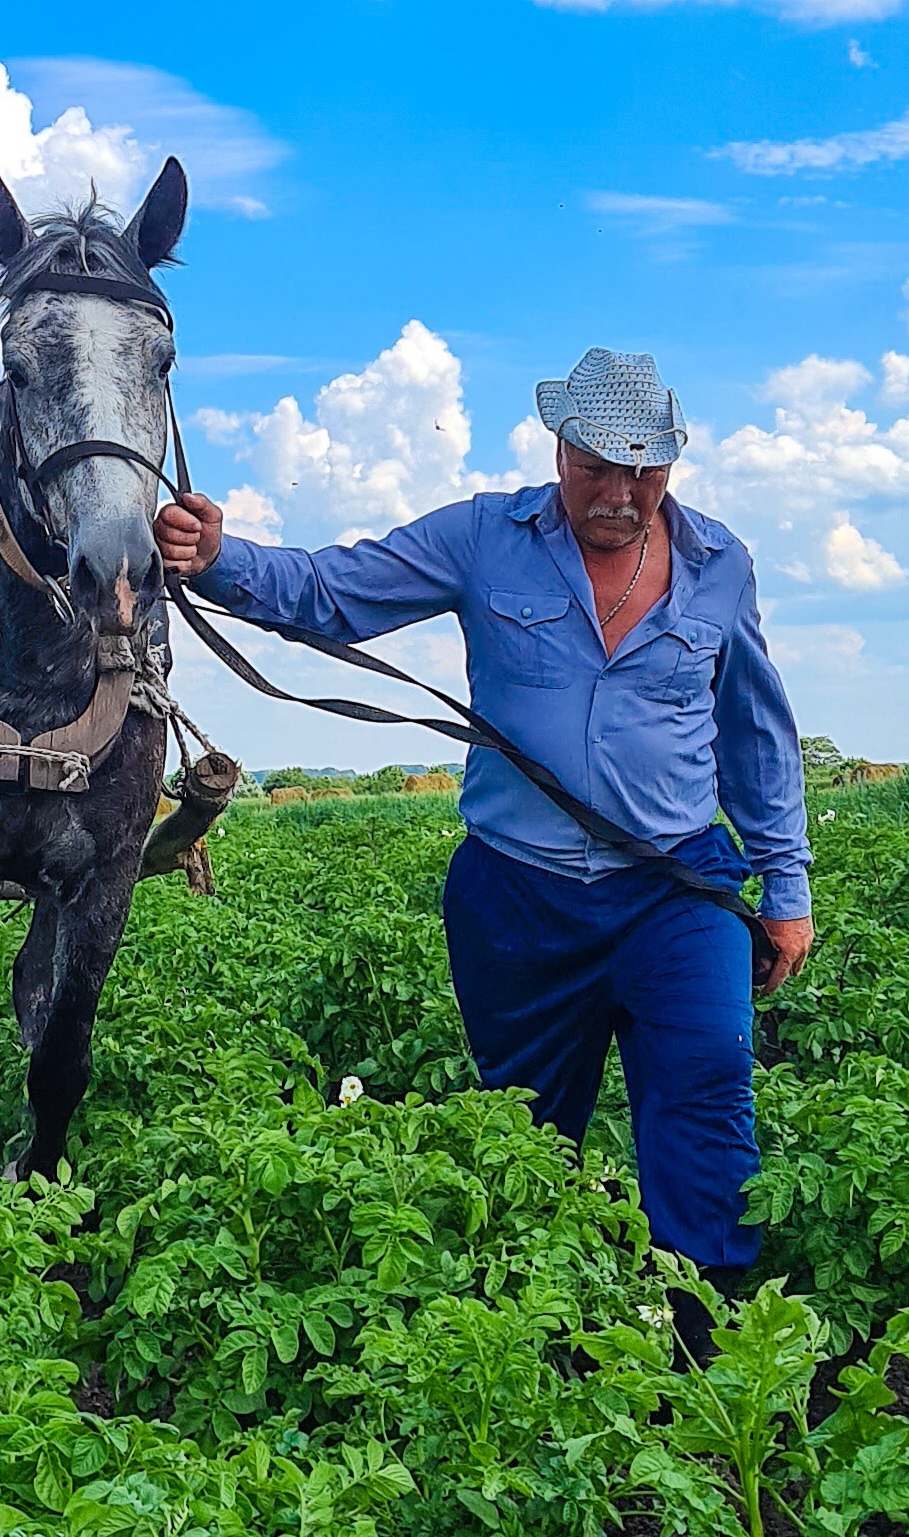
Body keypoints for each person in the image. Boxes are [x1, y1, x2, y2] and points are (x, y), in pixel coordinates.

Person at [154, 346, 813, 1355]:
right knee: (525, 1122)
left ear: (673, 465)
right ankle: (537, 1341)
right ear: (558, 448)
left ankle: (705, 1341)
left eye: (645, 469)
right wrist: (221, 560)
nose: (621, 491)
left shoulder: (720, 564)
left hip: (675, 888)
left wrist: (786, 880)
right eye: (598, 464)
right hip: (518, 896)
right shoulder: (483, 537)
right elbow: (335, 589)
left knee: (709, 1082)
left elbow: (754, 735)